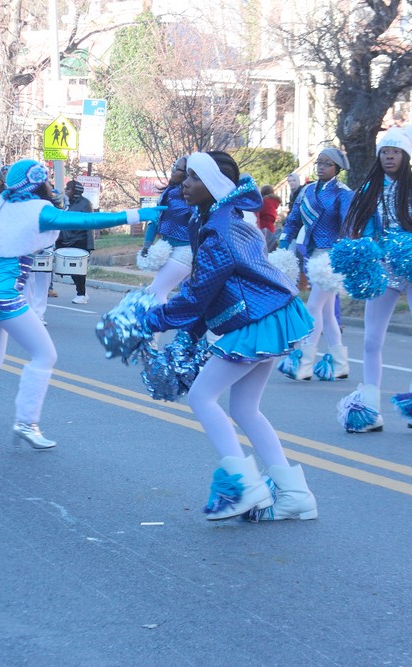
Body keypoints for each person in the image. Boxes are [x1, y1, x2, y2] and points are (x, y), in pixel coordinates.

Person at [141, 151, 316, 522]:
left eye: (193, 178)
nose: (184, 184)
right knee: (244, 408)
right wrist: (188, 333)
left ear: (214, 185)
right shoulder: (217, 219)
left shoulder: (220, 228)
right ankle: (296, 495)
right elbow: (207, 294)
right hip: (266, 314)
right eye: (185, 176)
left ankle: (244, 486)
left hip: (258, 319)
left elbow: (199, 292)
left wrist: (153, 320)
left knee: (203, 397)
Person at [0, 159, 163, 453]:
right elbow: (88, 221)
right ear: (38, 183)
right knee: (45, 355)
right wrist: (138, 214)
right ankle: (27, 423)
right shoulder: (39, 211)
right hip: (3, 290)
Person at [336, 124, 412, 433]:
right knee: (372, 340)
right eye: (384, 152)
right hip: (385, 270)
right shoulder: (371, 191)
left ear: (405, 156)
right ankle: (370, 408)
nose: (388, 157)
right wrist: (368, 251)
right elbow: (369, 232)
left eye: (394, 152)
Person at [278, 147, 353, 381]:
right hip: (313, 254)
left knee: (313, 307)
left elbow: (348, 227)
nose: (321, 167)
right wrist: (283, 243)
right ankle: (340, 364)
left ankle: (304, 363)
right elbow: (293, 221)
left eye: (327, 163)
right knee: (328, 313)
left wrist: (342, 254)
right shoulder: (307, 191)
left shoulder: (343, 193)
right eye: (319, 163)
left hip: (331, 256)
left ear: (337, 168)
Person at [141, 156, 194, 303]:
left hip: (185, 250)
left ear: (188, 174)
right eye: (173, 166)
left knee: (155, 293)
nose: (172, 170)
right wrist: (147, 243)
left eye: (177, 168)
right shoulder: (168, 192)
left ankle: (155, 325)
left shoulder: (193, 197)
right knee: (187, 299)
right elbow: (155, 218)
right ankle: (184, 326)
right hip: (171, 248)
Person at [56, 179, 95, 304]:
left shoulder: (85, 204)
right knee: (71, 270)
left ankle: (81, 294)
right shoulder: (66, 203)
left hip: (80, 240)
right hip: (66, 240)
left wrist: (89, 246)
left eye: (68, 189)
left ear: (75, 191)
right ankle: (81, 291)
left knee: (79, 269)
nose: (66, 191)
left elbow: (89, 225)